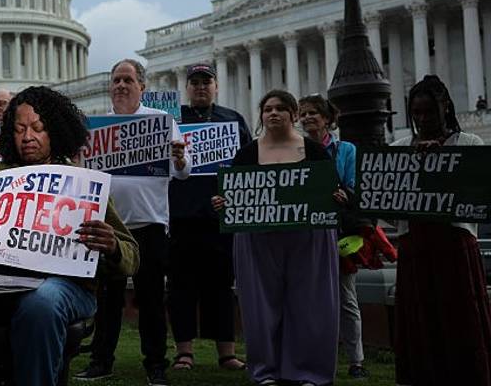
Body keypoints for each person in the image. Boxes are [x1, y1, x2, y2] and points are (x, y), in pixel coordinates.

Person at [0, 86, 139, 386]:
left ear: (56, 131)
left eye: (38, 128)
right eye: (20, 128)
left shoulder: (78, 181)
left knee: (41, 303)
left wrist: (112, 246)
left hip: (62, 287)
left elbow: (131, 255)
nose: (27, 137)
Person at [213, 89, 342, 386]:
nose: (273, 113)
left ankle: (310, 371)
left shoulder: (314, 151)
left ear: (293, 114)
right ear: (261, 115)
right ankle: (265, 370)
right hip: (259, 238)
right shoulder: (247, 152)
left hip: (307, 237)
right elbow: (232, 194)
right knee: (260, 305)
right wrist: (223, 203)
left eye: (281, 108)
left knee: (310, 304)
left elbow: (329, 190)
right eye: (268, 108)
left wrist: (337, 196)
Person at [73, 59, 188, 386]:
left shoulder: (161, 121)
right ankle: (101, 361)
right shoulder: (96, 128)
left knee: (151, 298)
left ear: (142, 87)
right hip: (109, 226)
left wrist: (179, 158)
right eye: (116, 80)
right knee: (107, 300)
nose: (121, 85)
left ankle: (155, 364)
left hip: (149, 222)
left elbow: (182, 172)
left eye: (128, 80)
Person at [392, 75, 491, 385]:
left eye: (429, 112)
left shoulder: (469, 143)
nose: (423, 120)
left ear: (445, 108)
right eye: (417, 113)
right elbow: (389, 204)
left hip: (455, 246)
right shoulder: (398, 148)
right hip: (415, 247)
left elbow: (478, 195)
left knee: (461, 317)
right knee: (421, 318)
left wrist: (442, 163)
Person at [168, 63, 251, 371]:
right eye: (195, 83)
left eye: (206, 82)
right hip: (182, 215)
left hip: (221, 217)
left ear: (216, 86)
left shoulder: (232, 119)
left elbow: (245, 165)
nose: (201, 87)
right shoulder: (174, 120)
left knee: (221, 286)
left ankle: (226, 352)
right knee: (181, 286)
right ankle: (184, 352)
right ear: (187, 88)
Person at [298, 94, 376, 379]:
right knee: (309, 298)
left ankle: (356, 360)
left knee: (346, 297)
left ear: (328, 118)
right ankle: (318, 356)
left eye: (313, 113)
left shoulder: (345, 150)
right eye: (303, 113)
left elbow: (356, 186)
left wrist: (346, 194)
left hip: (339, 231)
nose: (307, 118)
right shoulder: (296, 150)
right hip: (306, 232)